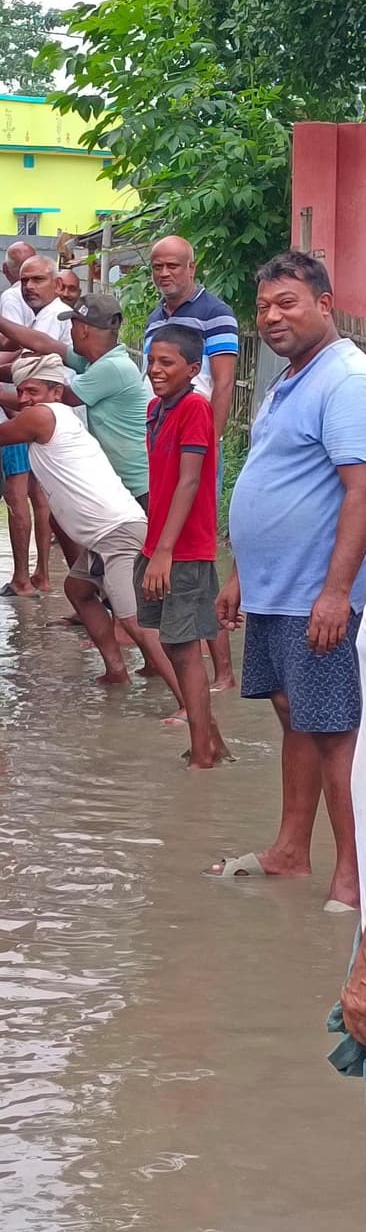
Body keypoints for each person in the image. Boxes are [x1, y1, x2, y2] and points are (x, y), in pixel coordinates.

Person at [213, 250, 366, 910]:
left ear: (325, 305)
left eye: (289, 303)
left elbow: (359, 492)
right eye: (265, 305)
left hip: (318, 595)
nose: (272, 316)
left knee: (334, 729)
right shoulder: (290, 379)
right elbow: (278, 481)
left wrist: (335, 592)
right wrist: (242, 573)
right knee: (291, 712)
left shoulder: (347, 377)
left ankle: (354, 877)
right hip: (274, 591)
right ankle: (290, 851)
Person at [0, 351, 183, 702]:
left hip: (116, 534)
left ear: (56, 392)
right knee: (79, 590)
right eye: (21, 391)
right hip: (109, 534)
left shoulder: (45, 416)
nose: (25, 399)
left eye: (33, 391)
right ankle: (118, 670)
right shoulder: (54, 417)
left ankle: (189, 705)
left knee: (133, 620)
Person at [134, 323, 231, 769]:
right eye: (152, 361)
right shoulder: (156, 408)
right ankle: (211, 742)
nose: (155, 369)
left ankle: (203, 757)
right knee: (174, 646)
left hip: (184, 550)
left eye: (166, 363)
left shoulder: (195, 408)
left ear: (193, 369)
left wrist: (165, 550)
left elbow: (191, 481)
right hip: (159, 543)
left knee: (186, 649)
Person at [145, 235, 239, 691]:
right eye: (158, 267)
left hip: (197, 448)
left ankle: (221, 672)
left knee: (196, 556)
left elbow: (222, 385)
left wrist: (210, 450)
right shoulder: (154, 319)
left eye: (173, 266)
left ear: (192, 266)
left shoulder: (215, 314)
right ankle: (206, 673)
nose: (165, 274)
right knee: (184, 560)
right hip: (168, 442)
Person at [0, 292, 149, 505]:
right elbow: (44, 344)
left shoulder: (113, 368)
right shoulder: (96, 361)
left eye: (72, 325)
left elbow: (53, 399)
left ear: (84, 330)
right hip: (122, 482)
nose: (70, 331)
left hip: (135, 487)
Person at [0, 246, 53, 597]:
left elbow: (17, 350)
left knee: (17, 494)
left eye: (37, 279)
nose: (29, 285)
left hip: (18, 408)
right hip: (31, 407)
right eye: (26, 277)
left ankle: (23, 578)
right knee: (37, 495)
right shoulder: (41, 311)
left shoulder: (13, 300)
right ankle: (39, 574)